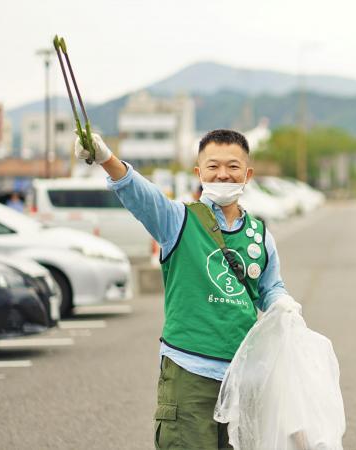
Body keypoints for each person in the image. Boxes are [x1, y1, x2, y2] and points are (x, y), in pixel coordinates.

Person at [74, 129, 299, 450]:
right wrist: (106, 159)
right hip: (189, 371)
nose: (223, 174)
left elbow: (269, 287)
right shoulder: (177, 220)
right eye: (213, 166)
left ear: (248, 175)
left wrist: (282, 303)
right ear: (199, 173)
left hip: (243, 375)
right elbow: (140, 194)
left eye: (233, 166)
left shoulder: (259, 234)